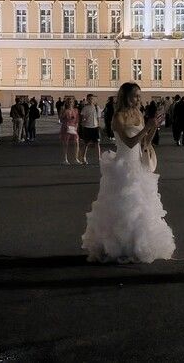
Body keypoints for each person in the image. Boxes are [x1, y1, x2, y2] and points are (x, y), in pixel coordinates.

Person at [82, 82, 175, 263]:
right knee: (124, 207)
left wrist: (154, 126)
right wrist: (147, 127)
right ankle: (119, 245)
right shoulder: (118, 117)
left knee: (141, 207)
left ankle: (138, 244)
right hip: (123, 166)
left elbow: (144, 142)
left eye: (139, 96)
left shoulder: (138, 113)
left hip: (138, 163)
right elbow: (129, 142)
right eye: (135, 96)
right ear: (125, 97)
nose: (138, 99)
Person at [79, 94, 102, 164]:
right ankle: (83, 158)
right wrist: (83, 122)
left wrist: (99, 126)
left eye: (92, 99)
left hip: (95, 127)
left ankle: (99, 159)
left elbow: (98, 118)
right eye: (89, 99)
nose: (90, 100)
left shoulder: (97, 107)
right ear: (87, 99)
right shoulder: (85, 108)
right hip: (87, 127)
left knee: (97, 143)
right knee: (86, 144)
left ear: (93, 99)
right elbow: (82, 117)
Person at [60, 97, 80, 165]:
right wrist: (62, 112)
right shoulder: (65, 110)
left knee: (77, 142)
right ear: (66, 103)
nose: (70, 103)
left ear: (73, 103)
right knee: (66, 144)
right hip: (66, 128)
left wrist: (76, 127)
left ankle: (76, 158)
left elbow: (77, 119)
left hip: (74, 128)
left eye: (71, 102)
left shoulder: (76, 110)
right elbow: (61, 119)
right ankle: (65, 159)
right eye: (68, 102)